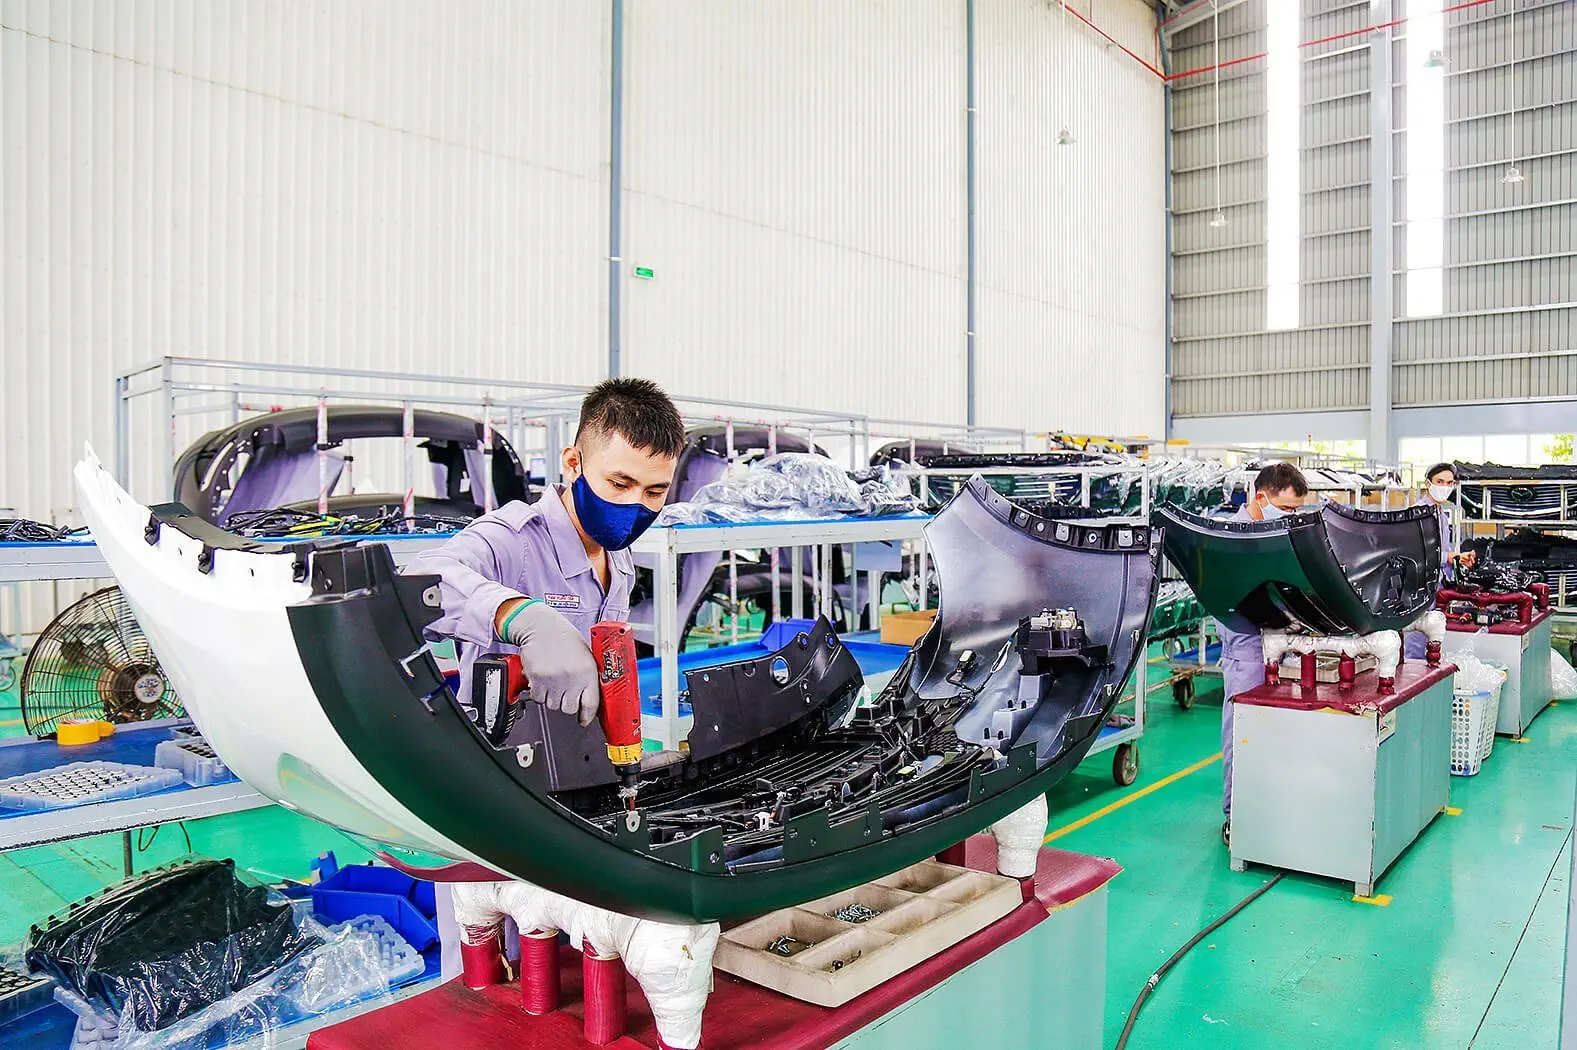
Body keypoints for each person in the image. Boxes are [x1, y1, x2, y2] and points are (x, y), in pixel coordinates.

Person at [405, 376, 687, 979]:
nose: (635, 505)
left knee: (560, 959)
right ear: (573, 462)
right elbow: (422, 577)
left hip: (574, 788)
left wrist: (624, 752)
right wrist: (519, 615)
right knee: (486, 964)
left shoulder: (620, 558)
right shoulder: (512, 541)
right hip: (491, 790)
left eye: (654, 491)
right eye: (619, 483)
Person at [1216, 462, 1309, 847]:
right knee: (1243, 732)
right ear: (1261, 497)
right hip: (1248, 647)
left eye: (1295, 510)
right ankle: (1236, 816)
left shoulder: (1276, 532)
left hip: (1282, 639)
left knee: (1278, 732)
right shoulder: (1229, 537)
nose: (1290, 517)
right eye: (1285, 508)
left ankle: (1273, 809)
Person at [1403, 463, 1476, 659]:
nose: (1445, 486)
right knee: (1416, 640)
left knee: (1432, 639)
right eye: (1440, 481)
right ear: (1428, 484)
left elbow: (1440, 551)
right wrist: (1449, 557)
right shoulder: (1417, 514)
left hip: (1435, 586)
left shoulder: (1441, 515)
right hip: (1418, 588)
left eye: (1449, 483)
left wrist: (1458, 559)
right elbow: (1414, 553)